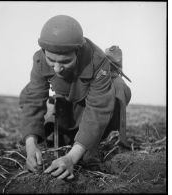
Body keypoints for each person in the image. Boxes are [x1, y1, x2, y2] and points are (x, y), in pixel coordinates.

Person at [19, 15, 131, 180]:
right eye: (51, 60)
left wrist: (72, 157)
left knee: (119, 89)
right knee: (28, 93)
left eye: (65, 61)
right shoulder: (39, 59)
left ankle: (96, 144)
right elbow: (33, 99)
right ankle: (65, 131)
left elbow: (98, 109)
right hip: (67, 100)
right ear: (43, 51)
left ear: (77, 52)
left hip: (91, 102)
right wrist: (30, 145)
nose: (57, 69)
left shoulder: (97, 61)